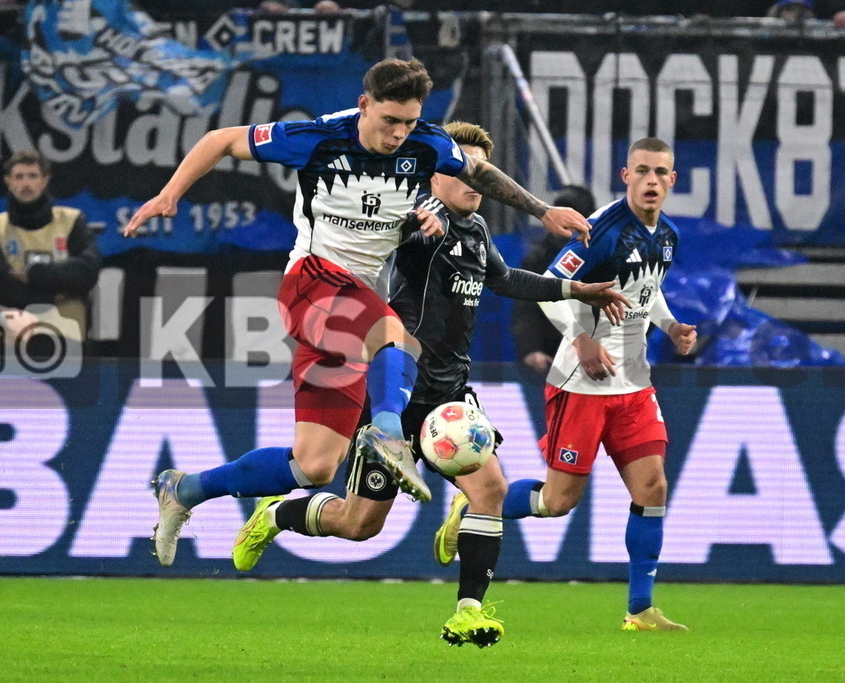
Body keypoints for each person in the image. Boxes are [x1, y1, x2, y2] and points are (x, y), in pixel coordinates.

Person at [123, 58, 592, 568]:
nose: (399, 134)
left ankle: (185, 488)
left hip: (350, 314)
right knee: (395, 336)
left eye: (409, 122)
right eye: (390, 121)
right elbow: (220, 139)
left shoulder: (426, 145)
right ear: (365, 105)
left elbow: (478, 171)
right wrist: (169, 195)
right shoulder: (318, 138)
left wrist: (543, 211)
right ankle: (388, 431)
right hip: (312, 282)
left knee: (314, 468)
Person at [228, 121, 630, 647]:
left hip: (449, 394)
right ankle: (278, 512)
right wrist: (415, 225)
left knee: (490, 490)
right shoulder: (413, 216)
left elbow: (505, 279)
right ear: (435, 174)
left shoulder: (477, 231)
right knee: (358, 524)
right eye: (459, 170)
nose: (471, 183)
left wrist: (576, 289)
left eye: (478, 176)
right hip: (397, 392)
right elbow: (395, 237)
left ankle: (468, 611)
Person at [501, 138, 697, 633]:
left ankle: (640, 608)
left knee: (652, 487)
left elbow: (646, 294)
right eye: (642, 171)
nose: (651, 180)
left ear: (673, 181)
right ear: (625, 175)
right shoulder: (602, 231)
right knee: (557, 501)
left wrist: (671, 326)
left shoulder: (667, 234)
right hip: (581, 382)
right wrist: (582, 337)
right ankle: (481, 502)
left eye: (661, 173)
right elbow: (549, 289)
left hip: (633, 384)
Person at [0, 150, 102, 341]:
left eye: (33, 176)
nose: (26, 183)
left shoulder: (71, 221)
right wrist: (54, 296)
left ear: (44, 180)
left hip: (67, 333)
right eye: (19, 177)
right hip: (11, 333)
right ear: (8, 181)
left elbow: (87, 272)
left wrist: (33, 275)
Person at [512, 185, 597, 375]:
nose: (567, 225)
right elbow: (525, 307)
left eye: (574, 217)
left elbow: (638, 302)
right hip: (551, 360)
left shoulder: (608, 255)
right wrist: (531, 349)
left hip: (599, 358)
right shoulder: (538, 258)